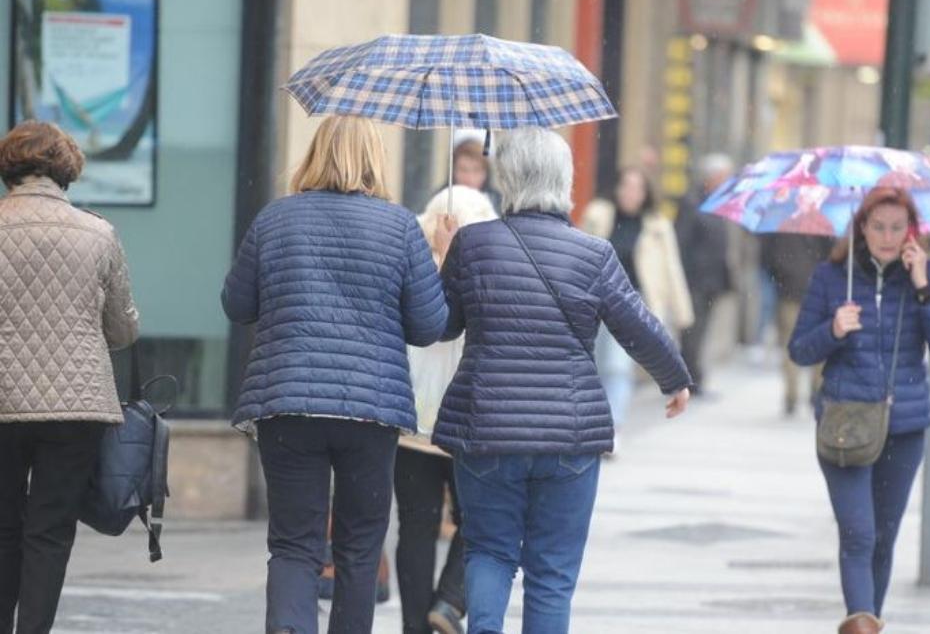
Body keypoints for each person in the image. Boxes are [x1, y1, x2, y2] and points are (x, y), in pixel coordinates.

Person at [431, 128, 691, 634]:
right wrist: (673, 380)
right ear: (563, 179)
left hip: (487, 429)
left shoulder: (473, 244)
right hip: (568, 437)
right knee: (552, 573)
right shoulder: (592, 253)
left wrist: (444, 257)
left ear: (505, 176)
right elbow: (637, 325)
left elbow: (442, 325)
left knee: (488, 550)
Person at [222, 115, 448, 634]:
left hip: (286, 403)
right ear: (376, 158)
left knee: (293, 545)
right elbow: (429, 326)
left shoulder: (275, 219)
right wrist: (442, 259)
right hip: (371, 411)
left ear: (315, 153)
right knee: (359, 549)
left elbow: (237, 304)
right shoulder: (400, 229)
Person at [788, 185, 930, 634]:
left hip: (905, 427)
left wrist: (923, 289)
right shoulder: (832, 277)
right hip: (845, 423)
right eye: (878, 226)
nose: (887, 236)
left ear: (912, 231)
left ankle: (868, 622)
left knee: (883, 540)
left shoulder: (929, 275)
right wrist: (833, 329)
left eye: (897, 227)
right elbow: (800, 350)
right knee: (859, 534)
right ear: (861, 227)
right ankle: (861, 626)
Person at [0, 121, 139, 634]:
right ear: (66, 168)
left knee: (3, 527)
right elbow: (122, 330)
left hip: (2, 400)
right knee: (50, 529)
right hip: (75, 403)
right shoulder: (98, 232)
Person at [396, 185, 496, 634]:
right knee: (480, 520)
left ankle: (423, 622)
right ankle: (451, 602)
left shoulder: (410, 262)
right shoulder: (487, 268)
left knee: (416, 529)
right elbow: (438, 327)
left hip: (412, 418)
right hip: (464, 419)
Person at [580, 167, 692, 444]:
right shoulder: (598, 215)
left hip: (632, 302)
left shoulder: (657, 225)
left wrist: (681, 312)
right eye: (626, 186)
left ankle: (613, 427)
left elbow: (671, 268)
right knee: (594, 365)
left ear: (645, 193)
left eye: (637, 187)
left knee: (618, 366)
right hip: (595, 301)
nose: (631, 193)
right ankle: (595, 424)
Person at [674, 153, 735, 397]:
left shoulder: (719, 204)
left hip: (713, 280)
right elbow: (682, 242)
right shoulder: (692, 202)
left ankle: (694, 378)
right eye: (724, 178)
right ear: (711, 178)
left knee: (702, 331)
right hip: (695, 280)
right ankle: (687, 381)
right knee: (691, 332)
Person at [760, 233, 834, 416]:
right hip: (816, 291)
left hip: (788, 290)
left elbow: (766, 257)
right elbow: (831, 256)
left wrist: (779, 276)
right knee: (818, 342)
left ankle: (791, 394)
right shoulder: (821, 225)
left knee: (788, 342)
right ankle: (815, 390)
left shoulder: (782, 224)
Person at [448, 138, 500, 211]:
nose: (469, 178)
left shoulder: (500, 206)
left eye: (476, 170)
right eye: (463, 170)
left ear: (486, 172)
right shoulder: (440, 202)